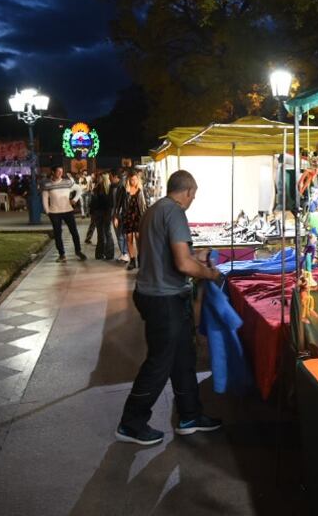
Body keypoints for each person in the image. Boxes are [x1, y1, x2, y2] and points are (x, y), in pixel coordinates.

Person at [116, 170, 222, 445]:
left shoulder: (154, 210)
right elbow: (183, 265)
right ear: (187, 192)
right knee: (160, 362)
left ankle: (190, 415)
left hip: (154, 292)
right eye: (193, 196)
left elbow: (168, 254)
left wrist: (195, 256)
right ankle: (131, 423)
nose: (192, 201)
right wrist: (211, 274)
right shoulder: (175, 213)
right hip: (163, 299)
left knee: (183, 358)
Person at [42, 166, 87, 263]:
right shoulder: (48, 184)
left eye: (61, 172)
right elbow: (45, 198)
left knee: (74, 231)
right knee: (58, 234)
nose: (60, 173)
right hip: (54, 212)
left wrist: (74, 200)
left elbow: (79, 189)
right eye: (58, 171)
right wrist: (47, 210)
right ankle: (61, 254)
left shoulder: (67, 182)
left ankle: (78, 251)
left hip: (68, 210)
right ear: (53, 172)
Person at [116, 172, 147, 270]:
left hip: (139, 217)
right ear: (128, 180)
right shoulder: (125, 190)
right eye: (131, 179)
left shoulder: (141, 190)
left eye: (134, 179)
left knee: (138, 238)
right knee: (129, 239)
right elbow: (119, 204)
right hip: (128, 216)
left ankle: (140, 259)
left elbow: (145, 205)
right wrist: (116, 216)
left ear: (138, 180)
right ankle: (132, 260)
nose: (133, 181)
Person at [90, 175, 115, 260]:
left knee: (107, 233)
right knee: (101, 234)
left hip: (106, 213)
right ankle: (100, 253)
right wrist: (92, 212)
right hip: (98, 213)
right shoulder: (96, 189)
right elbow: (92, 202)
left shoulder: (109, 189)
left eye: (100, 178)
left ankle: (109, 253)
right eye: (98, 178)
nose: (98, 179)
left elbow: (110, 203)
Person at [110, 172, 129, 262]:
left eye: (111, 176)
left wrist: (117, 216)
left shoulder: (122, 188)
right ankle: (124, 253)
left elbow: (122, 203)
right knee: (120, 234)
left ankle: (125, 253)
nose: (110, 178)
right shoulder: (113, 187)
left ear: (115, 177)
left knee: (120, 234)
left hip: (119, 214)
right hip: (115, 213)